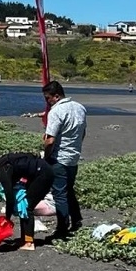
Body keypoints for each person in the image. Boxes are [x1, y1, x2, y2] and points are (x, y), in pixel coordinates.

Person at [0, 152, 55, 251]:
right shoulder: (0, 163)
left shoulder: (3, 171)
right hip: (38, 172)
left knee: (27, 207)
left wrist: (7, 218)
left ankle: (29, 243)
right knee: (22, 205)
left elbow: (9, 197)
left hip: (43, 174)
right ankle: (24, 239)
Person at [42, 80, 87, 240]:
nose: (47, 101)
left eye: (48, 98)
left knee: (59, 193)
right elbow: (83, 133)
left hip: (59, 158)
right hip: (73, 156)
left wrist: (46, 157)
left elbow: (50, 140)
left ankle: (62, 228)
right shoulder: (80, 108)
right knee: (69, 190)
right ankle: (77, 220)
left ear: (56, 96)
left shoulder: (56, 111)